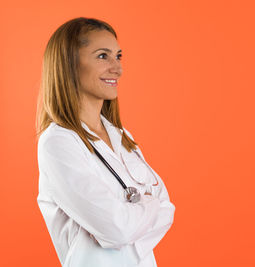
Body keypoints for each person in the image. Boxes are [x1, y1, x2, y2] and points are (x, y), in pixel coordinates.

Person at [35, 17, 175, 267]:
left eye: (118, 56)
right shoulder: (57, 143)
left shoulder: (124, 138)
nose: (117, 68)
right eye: (103, 56)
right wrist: (146, 205)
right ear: (68, 64)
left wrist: (130, 217)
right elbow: (116, 229)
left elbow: (168, 208)